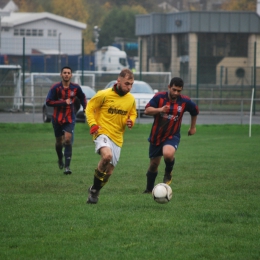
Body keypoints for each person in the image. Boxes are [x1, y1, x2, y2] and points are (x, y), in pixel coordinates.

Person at [85, 69, 137, 204]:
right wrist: (92, 124)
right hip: (102, 131)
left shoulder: (130, 99)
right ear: (118, 81)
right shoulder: (104, 94)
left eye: (131, 84)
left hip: (118, 137)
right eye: (127, 83)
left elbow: (133, 113)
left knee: (108, 173)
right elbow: (89, 108)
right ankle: (95, 192)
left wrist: (131, 120)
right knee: (107, 156)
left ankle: (94, 190)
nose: (129, 87)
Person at [143, 77, 199, 193]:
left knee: (168, 154)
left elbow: (195, 111)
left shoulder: (184, 101)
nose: (176, 93)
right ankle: (149, 189)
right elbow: (147, 110)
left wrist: (192, 127)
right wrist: (160, 110)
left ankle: (168, 171)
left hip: (172, 135)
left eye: (179, 91)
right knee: (154, 164)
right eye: (174, 90)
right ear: (169, 87)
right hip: (156, 136)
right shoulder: (159, 97)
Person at [46, 66, 87, 175]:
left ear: (71, 75)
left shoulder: (75, 88)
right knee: (59, 142)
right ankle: (60, 158)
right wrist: (63, 102)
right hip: (57, 118)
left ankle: (67, 167)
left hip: (69, 118)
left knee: (68, 140)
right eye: (64, 72)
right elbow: (48, 102)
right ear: (61, 74)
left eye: (68, 73)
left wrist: (85, 108)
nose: (66, 74)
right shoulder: (55, 88)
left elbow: (82, 97)